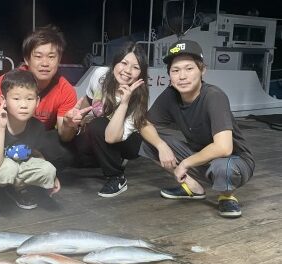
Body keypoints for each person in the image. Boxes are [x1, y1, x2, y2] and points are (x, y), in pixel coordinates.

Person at [0, 25, 88, 217]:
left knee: (65, 152)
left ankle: (19, 186)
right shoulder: (9, 81)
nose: (45, 62)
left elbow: (64, 134)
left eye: (51, 56)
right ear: (27, 60)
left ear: (59, 59)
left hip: (30, 139)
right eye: (38, 56)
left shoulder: (65, 89)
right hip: (1, 138)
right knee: (0, 163)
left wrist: (71, 124)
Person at [139, 39, 255, 218]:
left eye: (189, 68)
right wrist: (161, 146)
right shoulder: (171, 94)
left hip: (235, 161)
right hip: (200, 156)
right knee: (149, 141)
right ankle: (193, 187)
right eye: (175, 71)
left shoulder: (214, 96)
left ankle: (226, 196)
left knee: (222, 167)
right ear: (169, 74)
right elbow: (144, 123)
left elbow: (224, 148)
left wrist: (185, 163)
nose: (182, 76)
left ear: (202, 70)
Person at [0, 69, 61, 217]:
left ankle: (15, 188)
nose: (23, 105)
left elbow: (35, 152)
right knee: (8, 168)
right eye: (16, 99)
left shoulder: (37, 126)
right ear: (3, 101)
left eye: (29, 99)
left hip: (12, 163)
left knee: (48, 169)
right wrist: (1, 126)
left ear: (37, 101)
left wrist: (53, 176)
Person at [72, 42, 149, 197]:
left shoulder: (138, 97)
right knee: (75, 151)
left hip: (126, 141)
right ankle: (104, 158)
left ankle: (116, 176)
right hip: (102, 132)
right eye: (124, 63)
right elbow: (89, 98)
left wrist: (125, 101)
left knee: (98, 125)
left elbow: (112, 136)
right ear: (115, 63)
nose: (127, 71)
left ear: (141, 73)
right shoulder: (100, 75)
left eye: (135, 67)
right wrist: (78, 122)